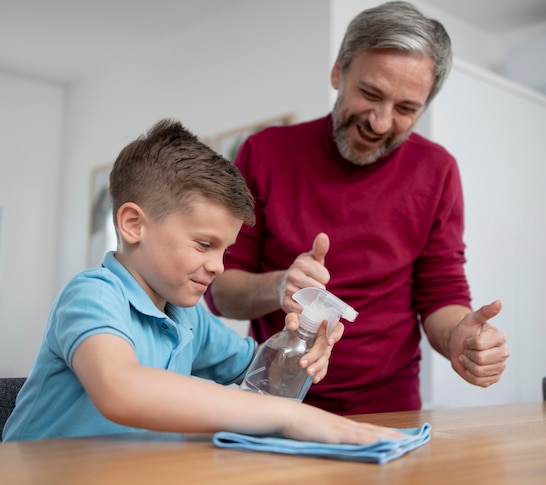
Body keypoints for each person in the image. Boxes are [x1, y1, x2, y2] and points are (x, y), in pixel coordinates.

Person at [2, 119, 405, 443]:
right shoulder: (92, 295)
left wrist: (303, 347)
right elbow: (119, 388)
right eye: (203, 244)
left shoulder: (187, 317)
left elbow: (261, 378)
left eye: (224, 251)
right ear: (133, 224)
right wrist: (286, 416)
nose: (217, 266)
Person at [206, 1, 510, 415]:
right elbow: (221, 292)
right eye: (370, 94)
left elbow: (441, 293)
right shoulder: (264, 152)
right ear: (338, 72)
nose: (381, 123)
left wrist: (459, 337)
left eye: (406, 109)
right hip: (277, 399)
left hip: (389, 409)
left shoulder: (437, 171)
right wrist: (281, 286)